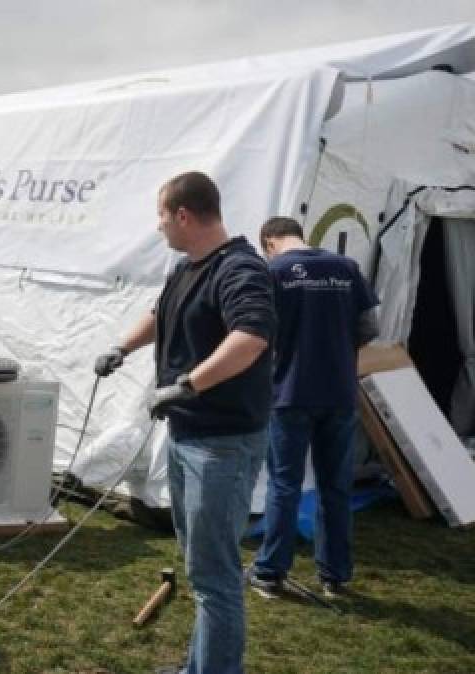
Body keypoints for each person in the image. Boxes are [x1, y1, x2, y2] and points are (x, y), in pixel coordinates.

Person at [94, 171, 275, 674]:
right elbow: (161, 312)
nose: (158, 228)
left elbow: (250, 338)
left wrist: (188, 384)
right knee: (203, 569)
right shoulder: (187, 268)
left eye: (161, 217)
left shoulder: (240, 270)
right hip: (188, 436)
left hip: (222, 445)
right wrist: (122, 347)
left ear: (183, 215)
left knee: (215, 579)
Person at [247, 217, 379, 600]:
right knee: (335, 486)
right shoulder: (346, 268)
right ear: (300, 234)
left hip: (289, 391)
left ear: (269, 242)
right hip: (339, 392)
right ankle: (335, 576)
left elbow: (255, 330)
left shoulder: (272, 272)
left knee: (284, 484)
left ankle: (271, 572)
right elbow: (369, 329)